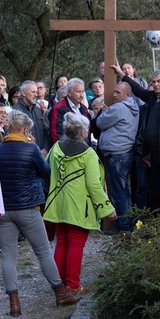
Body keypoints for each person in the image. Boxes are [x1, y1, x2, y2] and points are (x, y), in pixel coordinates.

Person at [0, 110, 77, 315]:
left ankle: (14, 304)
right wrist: (39, 153)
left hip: (3, 209)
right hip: (28, 208)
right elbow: (46, 172)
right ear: (24, 130)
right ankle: (60, 293)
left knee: (8, 256)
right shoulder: (30, 150)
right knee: (43, 252)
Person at [44, 113, 116, 293]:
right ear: (83, 133)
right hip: (79, 206)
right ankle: (73, 285)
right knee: (76, 244)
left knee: (62, 242)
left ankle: (59, 283)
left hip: (57, 203)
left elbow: (46, 171)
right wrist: (107, 209)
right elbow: (94, 184)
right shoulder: (88, 153)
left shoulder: (55, 148)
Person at [111, 62, 160, 210]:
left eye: (159, 81)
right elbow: (137, 89)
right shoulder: (152, 97)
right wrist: (121, 74)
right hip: (150, 154)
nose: (156, 85)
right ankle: (154, 221)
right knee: (152, 190)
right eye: (153, 82)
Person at [93, 81, 139, 232]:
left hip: (118, 155)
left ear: (127, 94)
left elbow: (100, 122)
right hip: (124, 152)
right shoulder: (131, 107)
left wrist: (105, 112)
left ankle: (123, 225)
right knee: (123, 190)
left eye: (118, 92)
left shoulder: (119, 108)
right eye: (114, 92)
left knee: (118, 191)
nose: (114, 95)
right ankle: (127, 222)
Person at [12, 80, 50, 155]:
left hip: (42, 154)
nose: (36, 94)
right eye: (33, 92)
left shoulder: (38, 110)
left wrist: (45, 148)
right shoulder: (15, 111)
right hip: (24, 154)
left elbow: (45, 131)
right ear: (23, 93)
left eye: (36, 92)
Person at [49, 78, 91, 144]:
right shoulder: (58, 109)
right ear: (69, 93)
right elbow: (56, 133)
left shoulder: (84, 109)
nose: (81, 95)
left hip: (84, 149)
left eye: (82, 92)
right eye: (78, 92)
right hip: (67, 150)